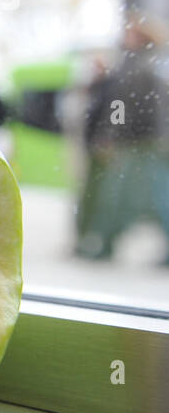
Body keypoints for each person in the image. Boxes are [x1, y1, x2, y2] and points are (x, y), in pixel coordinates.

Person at [76, 18, 169, 260]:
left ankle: (105, 245)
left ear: (140, 38)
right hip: (147, 142)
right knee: (150, 197)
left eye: (130, 34)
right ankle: (105, 244)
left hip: (138, 144)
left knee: (120, 197)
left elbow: (121, 107)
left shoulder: (137, 67)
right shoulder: (153, 64)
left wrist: (110, 136)